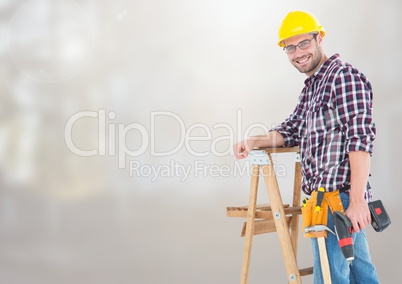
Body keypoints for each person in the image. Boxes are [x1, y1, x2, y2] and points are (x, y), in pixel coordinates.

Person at [233, 11, 379, 283]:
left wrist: (357, 201)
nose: (298, 52)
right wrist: (253, 141)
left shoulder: (342, 78)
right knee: (361, 275)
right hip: (324, 201)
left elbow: (360, 141)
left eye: (304, 43)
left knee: (330, 278)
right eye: (290, 47)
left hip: (339, 201)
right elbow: (292, 130)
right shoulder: (313, 87)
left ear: (319, 38)